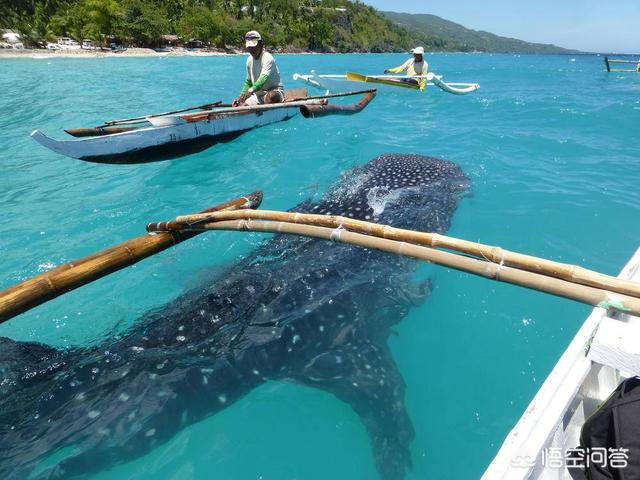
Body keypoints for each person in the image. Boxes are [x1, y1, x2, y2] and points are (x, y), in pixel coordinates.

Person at [233, 31, 284, 107]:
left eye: (254, 47)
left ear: (261, 45)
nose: (251, 50)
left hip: (274, 91)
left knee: (271, 96)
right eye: (249, 48)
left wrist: (250, 91)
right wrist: (240, 97)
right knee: (241, 105)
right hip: (258, 95)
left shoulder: (268, 58)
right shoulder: (249, 60)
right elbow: (248, 82)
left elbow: (263, 79)